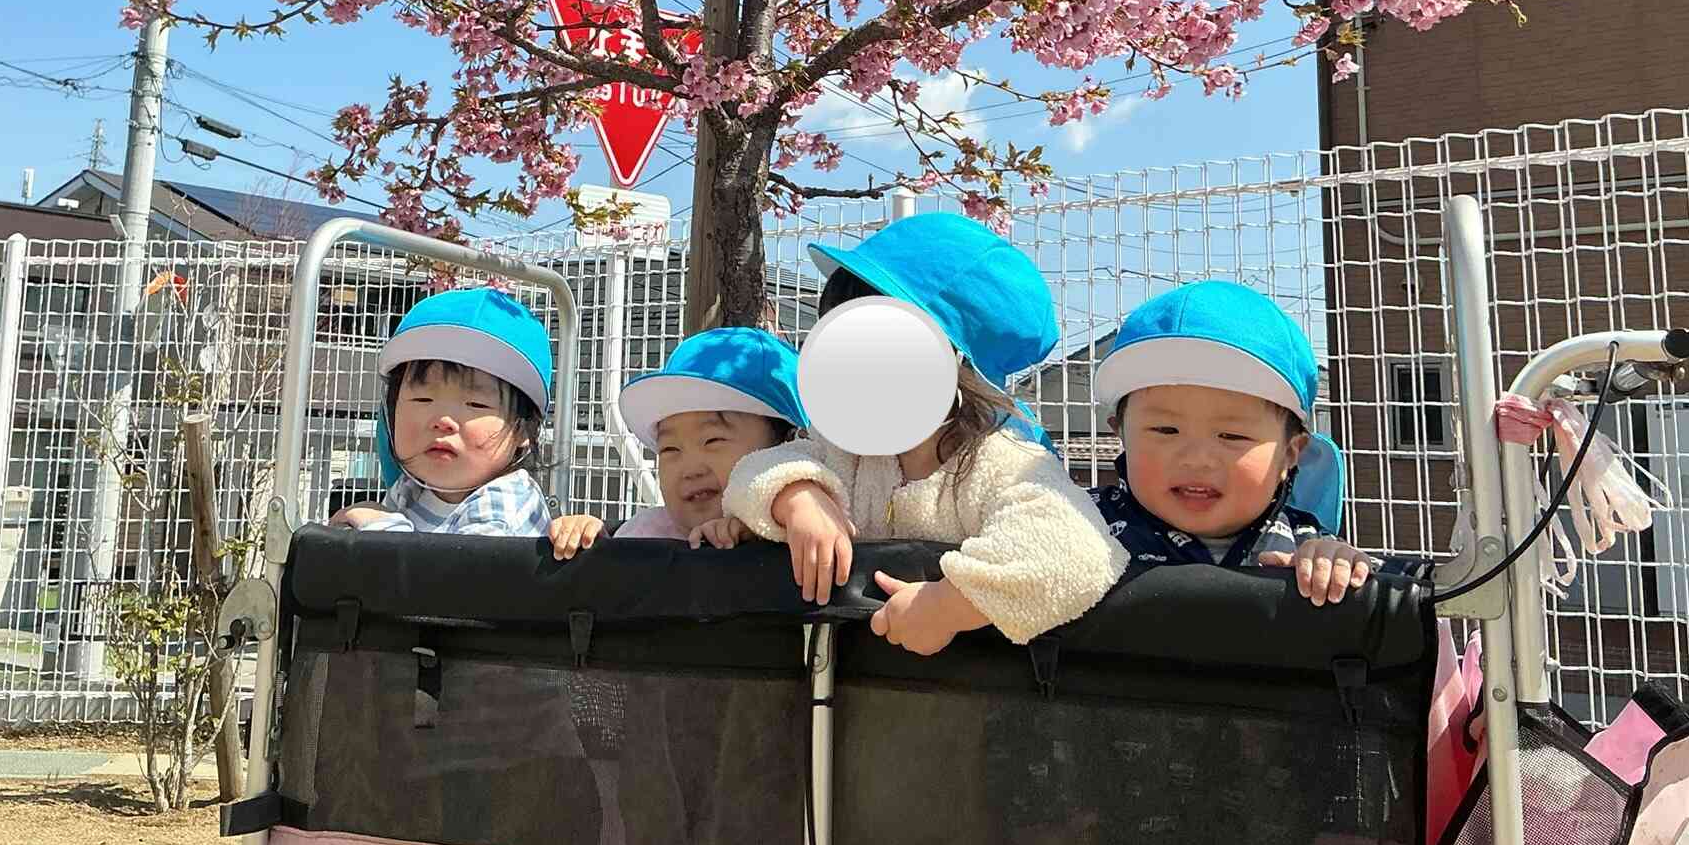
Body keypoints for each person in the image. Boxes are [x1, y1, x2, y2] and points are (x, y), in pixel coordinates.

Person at [715, 212, 1127, 653]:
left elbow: (1075, 553)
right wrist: (797, 496)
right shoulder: (843, 449)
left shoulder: (1003, 462)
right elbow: (755, 470)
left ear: (957, 366)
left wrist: (948, 605)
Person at [1089, 279, 1374, 605]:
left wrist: (1338, 568)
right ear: (1121, 433)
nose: (1196, 458)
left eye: (1232, 436)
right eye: (1165, 430)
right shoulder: (1083, 525)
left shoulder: (1303, 549)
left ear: (1290, 453)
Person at [546, 326, 805, 559]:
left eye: (713, 439)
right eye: (670, 448)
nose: (690, 468)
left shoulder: (808, 529)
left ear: (786, 447)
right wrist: (590, 543)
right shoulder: (648, 532)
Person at [329, 286, 555, 536]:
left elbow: (456, 573)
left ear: (523, 429)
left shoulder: (505, 499)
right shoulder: (411, 489)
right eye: (422, 399)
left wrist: (382, 528)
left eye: (476, 405)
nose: (443, 420)